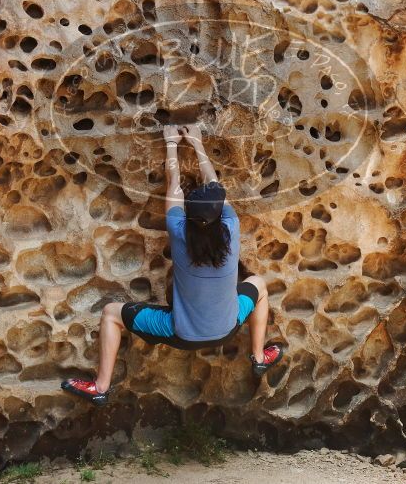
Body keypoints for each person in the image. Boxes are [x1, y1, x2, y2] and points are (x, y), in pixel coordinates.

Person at [61, 124, 284, 406]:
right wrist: (198, 144)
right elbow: (214, 185)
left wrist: (171, 144)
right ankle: (259, 356)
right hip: (228, 326)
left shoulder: (180, 232)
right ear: (220, 213)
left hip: (181, 332)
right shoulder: (231, 228)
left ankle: (101, 386)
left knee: (110, 314)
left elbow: (174, 185)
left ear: (190, 217)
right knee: (259, 285)